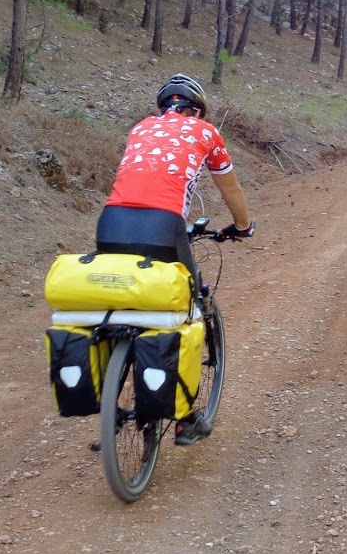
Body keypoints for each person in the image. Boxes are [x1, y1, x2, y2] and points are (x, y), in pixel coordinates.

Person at [95, 73, 253, 444]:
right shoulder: (206, 132)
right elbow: (229, 186)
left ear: (163, 106)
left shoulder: (141, 128)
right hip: (163, 227)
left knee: (118, 303)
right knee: (189, 307)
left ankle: (108, 406)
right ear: (197, 109)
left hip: (110, 222)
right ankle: (186, 418)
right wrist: (242, 226)